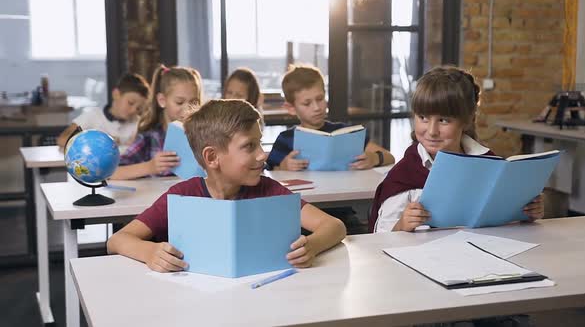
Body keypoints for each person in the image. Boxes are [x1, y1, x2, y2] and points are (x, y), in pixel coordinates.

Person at [106, 99, 346, 272]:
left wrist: (312, 246)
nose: (263, 155)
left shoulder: (270, 190)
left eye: (259, 143)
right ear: (212, 158)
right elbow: (117, 240)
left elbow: (334, 226)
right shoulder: (181, 196)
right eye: (249, 146)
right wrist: (149, 253)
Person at [370, 66, 544, 233]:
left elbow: (504, 220)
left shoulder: (489, 164)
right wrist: (401, 225)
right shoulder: (404, 174)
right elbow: (381, 235)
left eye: (443, 120)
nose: (431, 131)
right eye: (423, 118)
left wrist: (527, 213)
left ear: (466, 121)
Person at [266, 65, 394, 171]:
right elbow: (270, 170)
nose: (316, 107)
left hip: (347, 193)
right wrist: (283, 166)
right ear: (291, 108)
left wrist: (373, 159)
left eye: (320, 99)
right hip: (308, 198)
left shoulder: (346, 133)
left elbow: (390, 157)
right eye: (307, 103)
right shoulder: (285, 139)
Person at [109, 65, 203, 180]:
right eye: (179, 102)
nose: (188, 109)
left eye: (194, 102)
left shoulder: (204, 134)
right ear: (162, 101)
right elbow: (113, 172)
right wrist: (150, 167)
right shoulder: (150, 136)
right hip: (158, 196)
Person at [57, 73, 149, 152]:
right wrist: (97, 141)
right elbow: (62, 140)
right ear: (116, 94)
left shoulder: (138, 124)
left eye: (139, 108)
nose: (134, 110)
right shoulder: (93, 116)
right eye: (130, 103)